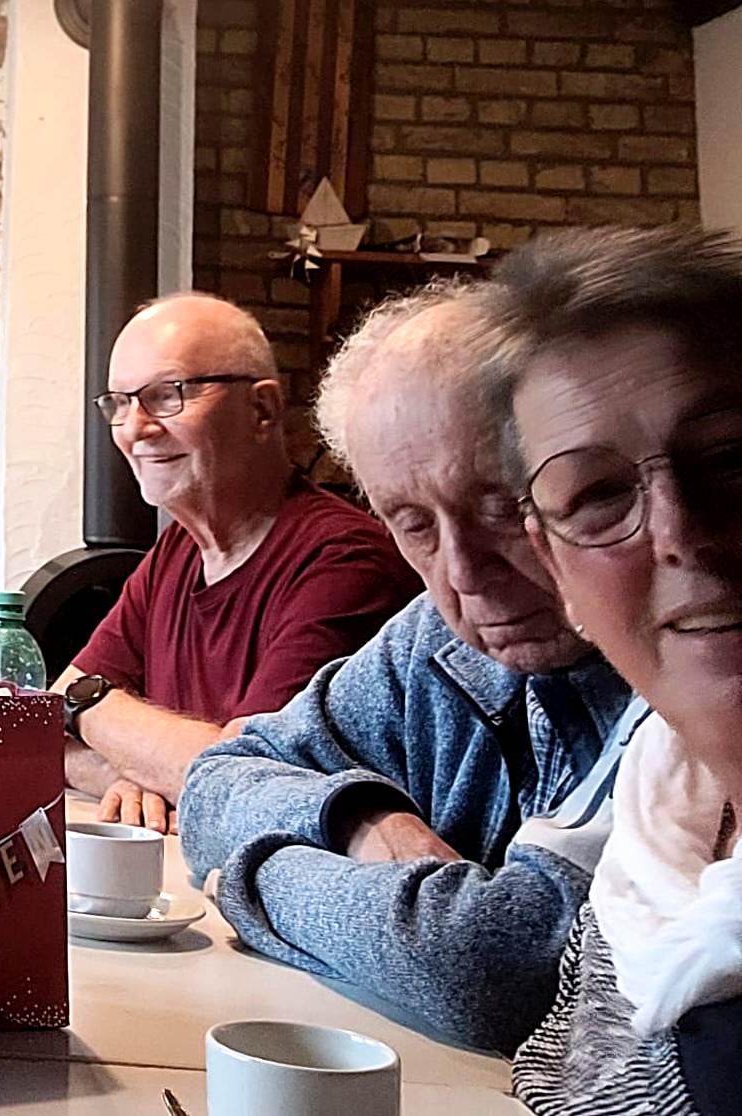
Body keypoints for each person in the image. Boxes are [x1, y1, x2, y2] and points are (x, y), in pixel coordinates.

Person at [179, 281, 637, 1053]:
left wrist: (260, 886)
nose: (464, 572)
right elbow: (215, 785)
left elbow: (493, 965)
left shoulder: (684, 667)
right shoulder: (434, 639)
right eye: (414, 523)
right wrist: (360, 820)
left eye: (498, 505)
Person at [479, 227, 742, 1115]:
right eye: (598, 495)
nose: (678, 532)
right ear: (554, 566)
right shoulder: (662, 804)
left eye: (732, 457)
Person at [58, 292, 419, 831]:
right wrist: (126, 774)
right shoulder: (176, 551)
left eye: (167, 395)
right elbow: (47, 730)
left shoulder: (347, 561)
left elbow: (252, 776)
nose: (135, 429)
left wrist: (87, 706)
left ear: (262, 410)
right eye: (120, 403)